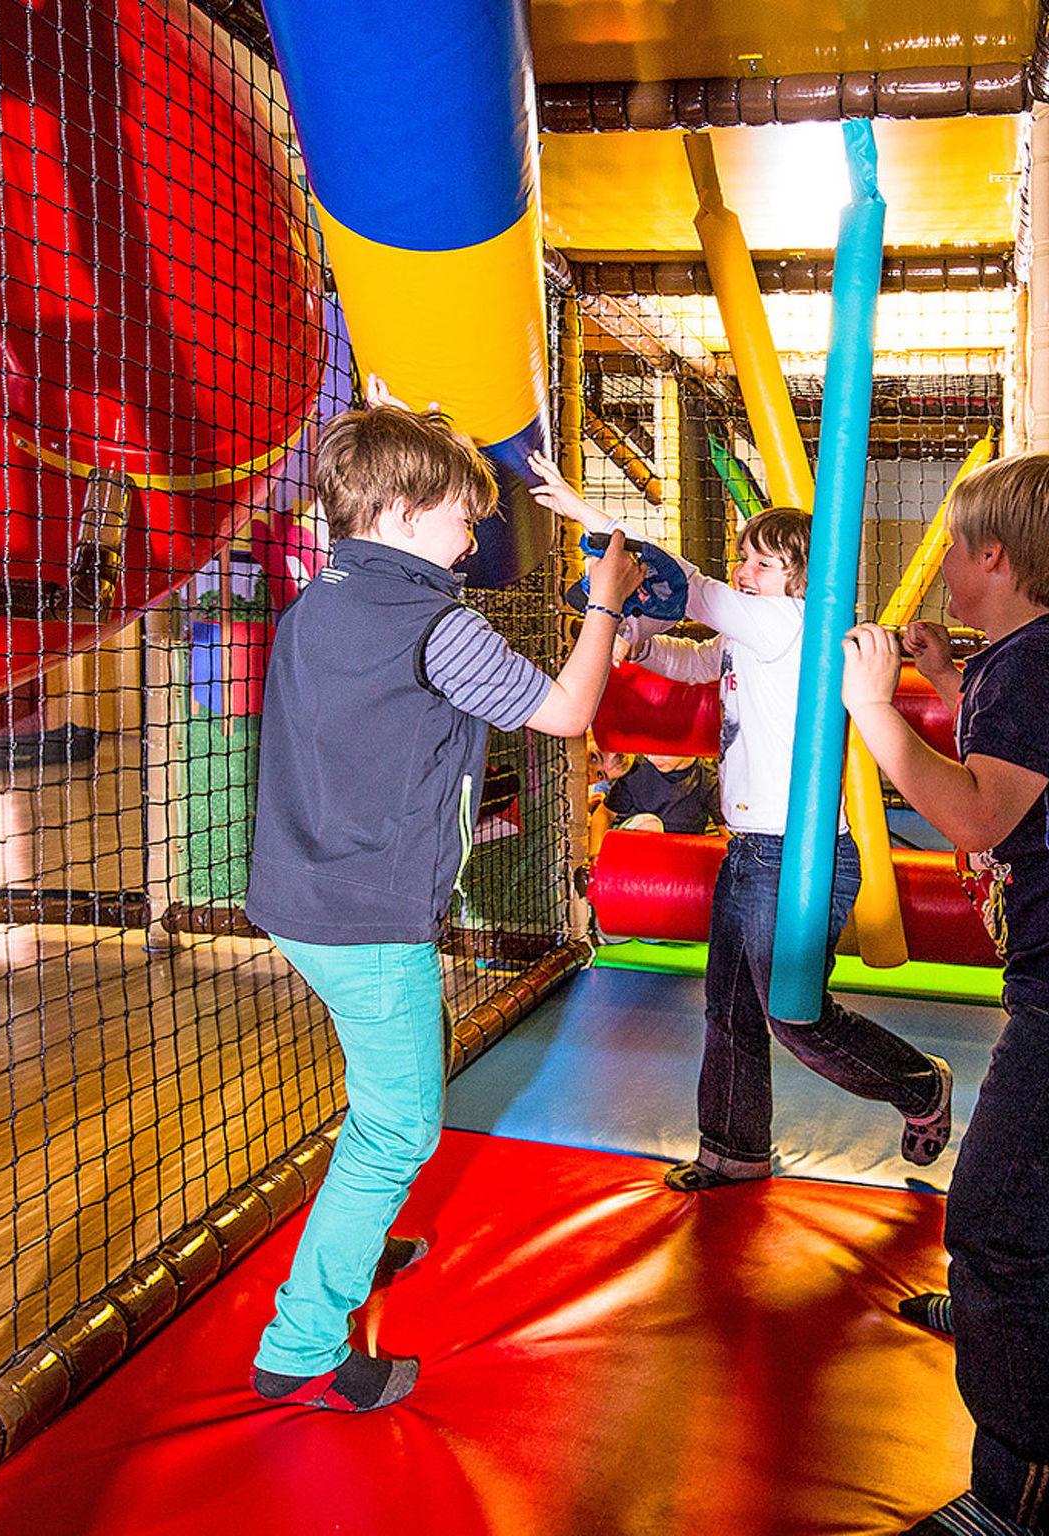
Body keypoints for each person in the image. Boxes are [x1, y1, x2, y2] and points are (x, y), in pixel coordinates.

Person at [243, 396, 643, 1413]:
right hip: (365, 916)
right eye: (466, 517)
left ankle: (357, 1232)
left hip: (296, 891)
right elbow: (565, 712)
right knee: (399, 1131)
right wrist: (603, 606)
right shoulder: (432, 623)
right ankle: (301, 1343)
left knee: (378, 1107)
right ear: (408, 511)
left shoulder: (315, 600)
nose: (472, 541)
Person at [528, 452, 954, 1192]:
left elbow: (684, 584)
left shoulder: (789, 622)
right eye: (743, 562)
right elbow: (693, 662)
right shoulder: (756, 635)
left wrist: (588, 516)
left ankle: (919, 1085)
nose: (745, 572)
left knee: (796, 1017)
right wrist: (636, 642)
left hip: (802, 854)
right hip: (753, 851)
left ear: (796, 575)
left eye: (757, 561)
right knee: (727, 1007)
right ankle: (734, 1148)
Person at [840, 452, 1049, 1536]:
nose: (940, 564)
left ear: (993, 558)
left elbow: (982, 817)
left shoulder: (1030, 667)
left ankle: (1018, 1487)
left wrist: (873, 711)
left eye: (951, 548)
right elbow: (1033, 765)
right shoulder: (1028, 656)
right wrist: (942, 683)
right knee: (1039, 1216)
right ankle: (1013, 1327)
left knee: (992, 1235)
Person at [597, 751, 721, 836]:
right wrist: (595, 858)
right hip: (636, 851)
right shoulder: (637, 769)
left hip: (679, 858)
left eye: (661, 750)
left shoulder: (706, 779)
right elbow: (605, 814)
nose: (651, 758)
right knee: (651, 824)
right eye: (647, 750)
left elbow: (728, 832)